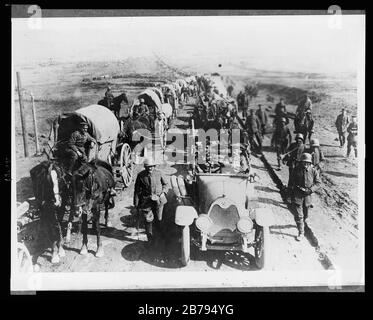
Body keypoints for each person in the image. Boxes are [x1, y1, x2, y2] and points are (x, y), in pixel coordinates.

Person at [134, 158, 169, 253]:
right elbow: (137, 190)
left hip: (159, 200)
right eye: (148, 167)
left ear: (154, 166)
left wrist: (163, 193)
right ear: (145, 167)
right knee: (148, 221)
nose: (150, 168)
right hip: (146, 202)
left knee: (160, 220)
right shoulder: (141, 175)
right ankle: (150, 240)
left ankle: (162, 239)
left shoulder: (159, 173)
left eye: (152, 166)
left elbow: (166, 185)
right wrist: (136, 203)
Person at [288, 153, 321, 241]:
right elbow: (291, 182)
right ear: (301, 162)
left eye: (307, 163)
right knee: (299, 215)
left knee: (306, 214)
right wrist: (290, 194)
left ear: (310, 163)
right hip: (297, 195)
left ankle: (302, 223)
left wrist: (311, 190)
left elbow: (318, 183)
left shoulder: (313, 171)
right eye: (304, 162)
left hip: (308, 196)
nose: (305, 164)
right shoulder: (296, 170)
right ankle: (301, 232)